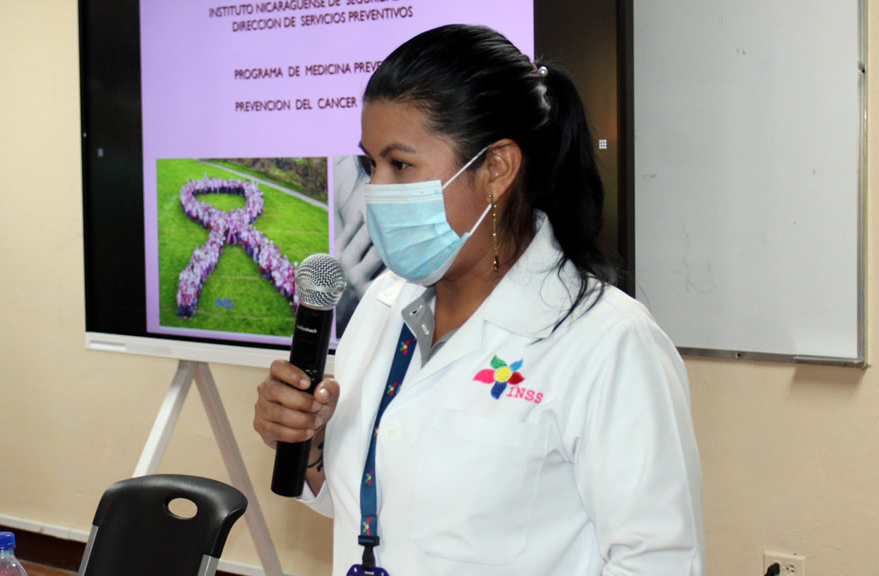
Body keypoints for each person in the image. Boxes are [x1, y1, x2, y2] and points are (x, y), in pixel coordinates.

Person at [254, 24, 704, 575]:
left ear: (496, 169)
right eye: (370, 165)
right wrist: (314, 443)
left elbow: (657, 562)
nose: (377, 191)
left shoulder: (610, 342)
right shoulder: (382, 306)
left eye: (401, 165)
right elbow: (384, 509)